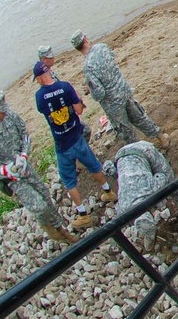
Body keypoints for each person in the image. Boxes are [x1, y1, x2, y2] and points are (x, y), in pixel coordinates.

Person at [0, 89, 76, 243]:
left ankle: (60, 229)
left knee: (44, 193)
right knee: (39, 206)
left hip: (24, 166)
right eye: (1, 110)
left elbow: (24, 133)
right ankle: (49, 227)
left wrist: (24, 154)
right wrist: (3, 170)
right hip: (13, 178)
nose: (4, 112)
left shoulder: (10, 115)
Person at [34, 62, 117, 230]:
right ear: (49, 72)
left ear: (39, 78)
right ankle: (108, 192)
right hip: (77, 137)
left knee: (69, 180)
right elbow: (79, 110)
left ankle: (82, 214)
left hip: (62, 144)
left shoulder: (39, 96)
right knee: (94, 165)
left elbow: (44, 111)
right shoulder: (65, 87)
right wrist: (76, 100)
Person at [72, 31, 170, 150]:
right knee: (140, 117)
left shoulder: (88, 67)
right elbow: (112, 61)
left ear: (77, 49)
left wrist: (90, 90)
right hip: (124, 90)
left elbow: (99, 94)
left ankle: (141, 153)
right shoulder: (102, 47)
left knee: (126, 132)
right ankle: (161, 138)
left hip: (113, 104)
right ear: (86, 40)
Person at [104, 141, 178, 252]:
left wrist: (152, 180)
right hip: (122, 158)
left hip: (144, 151)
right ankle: (149, 232)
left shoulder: (151, 189)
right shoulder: (123, 208)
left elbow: (162, 177)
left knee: (172, 186)